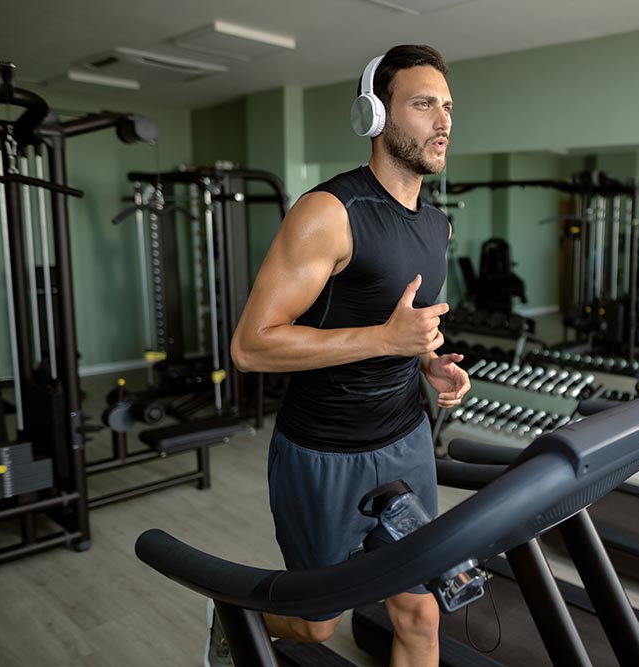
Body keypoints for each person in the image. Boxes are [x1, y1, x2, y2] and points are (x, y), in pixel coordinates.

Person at [211, 44, 468, 667]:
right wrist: (385, 338)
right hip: (324, 451)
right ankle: (239, 622)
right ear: (374, 115)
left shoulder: (438, 226)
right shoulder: (330, 213)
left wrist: (429, 363)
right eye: (423, 103)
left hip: (406, 440)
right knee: (319, 625)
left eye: (449, 106)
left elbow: (405, 331)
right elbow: (250, 345)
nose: (443, 122)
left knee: (421, 613)